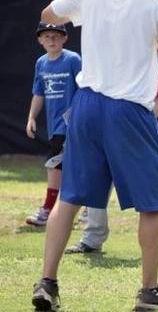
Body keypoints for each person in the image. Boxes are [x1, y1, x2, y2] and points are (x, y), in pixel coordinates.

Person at [31, 0, 158, 312]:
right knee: (151, 203)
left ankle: (47, 283)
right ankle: (149, 293)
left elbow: (49, 13)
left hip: (86, 105)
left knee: (69, 197)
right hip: (130, 111)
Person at [65, 79, 158, 260]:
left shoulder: (141, 62)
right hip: (103, 129)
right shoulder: (100, 65)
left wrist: (143, 128)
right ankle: (92, 239)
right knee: (94, 184)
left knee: (152, 188)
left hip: (134, 132)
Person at [25, 23, 81, 226]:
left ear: (65, 38)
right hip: (53, 125)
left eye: (56, 35)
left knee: (54, 165)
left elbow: (85, 88)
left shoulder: (73, 60)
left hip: (71, 125)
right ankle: (84, 208)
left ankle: (48, 209)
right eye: (47, 36)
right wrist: (31, 117)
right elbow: (38, 92)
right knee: (72, 168)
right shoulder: (41, 63)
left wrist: (77, 117)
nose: (51, 40)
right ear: (40, 40)